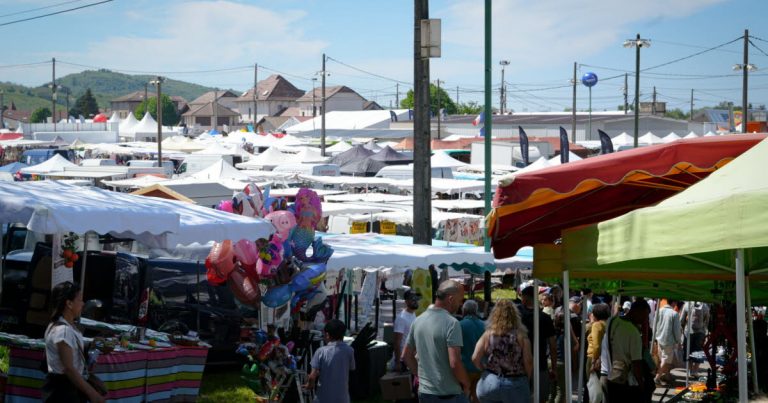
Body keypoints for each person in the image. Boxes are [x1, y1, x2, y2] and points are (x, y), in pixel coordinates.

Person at [403, 279, 470, 403]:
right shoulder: (452, 323)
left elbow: (406, 355)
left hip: (425, 393)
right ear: (450, 299)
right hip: (449, 395)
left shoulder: (418, 320)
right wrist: (466, 383)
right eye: (460, 300)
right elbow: (455, 363)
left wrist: (421, 377)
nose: (461, 304)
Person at [43, 282, 105, 403]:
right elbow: (69, 369)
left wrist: (92, 344)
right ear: (69, 304)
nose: (82, 304)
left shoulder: (64, 326)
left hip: (66, 388)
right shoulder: (63, 331)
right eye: (80, 300)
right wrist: (93, 394)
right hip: (63, 391)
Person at [472, 300, 533, 403]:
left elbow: (475, 358)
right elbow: (529, 361)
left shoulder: (488, 334)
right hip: (515, 382)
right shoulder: (521, 335)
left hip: (490, 382)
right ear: (515, 315)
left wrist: (484, 370)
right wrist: (527, 378)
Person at [600, 299, 651, 403]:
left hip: (606, 374)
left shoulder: (612, 321)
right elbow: (636, 363)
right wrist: (642, 386)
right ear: (637, 311)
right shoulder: (633, 332)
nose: (645, 320)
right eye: (645, 316)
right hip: (622, 382)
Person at [518, 286, 558, 402]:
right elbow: (553, 345)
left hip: (519, 365)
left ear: (524, 298)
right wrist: (554, 368)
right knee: (540, 398)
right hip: (540, 364)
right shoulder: (545, 318)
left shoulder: (517, 317)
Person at [305, 319, 356, 403]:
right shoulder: (350, 350)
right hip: (342, 398)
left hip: (323, 398)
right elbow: (351, 368)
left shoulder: (321, 351)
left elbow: (312, 376)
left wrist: (310, 384)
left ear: (327, 335)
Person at [460, 300, 486, 403]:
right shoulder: (484, 325)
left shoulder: (459, 325)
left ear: (464, 311)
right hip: (480, 368)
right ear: (476, 311)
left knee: (464, 398)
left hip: (465, 369)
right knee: (476, 398)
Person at [654, 299, 682, 385]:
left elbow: (654, 325)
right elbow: (677, 330)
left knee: (663, 358)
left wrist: (655, 337)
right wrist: (678, 341)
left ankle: (667, 376)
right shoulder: (674, 313)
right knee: (665, 360)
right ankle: (657, 377)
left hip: (659, 338)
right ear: (673, 302)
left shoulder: (659, 311)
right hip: (669, 340)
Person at [587, 303, 611, 402]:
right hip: (604, 358)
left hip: (593, 357)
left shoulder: (597, 325)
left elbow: (596, 345)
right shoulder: (608, 324)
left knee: (592, 387)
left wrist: (593, 361)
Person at [393, 290, 420, 371]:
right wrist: (398, 362)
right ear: (406, 302)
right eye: (412, 299)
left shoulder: (413, 314)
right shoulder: (401, 318)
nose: (415, 301)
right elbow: (397, 342)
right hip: (403, 360)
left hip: (411, 358)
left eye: (416, 299)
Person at [680, 301, 709, 375]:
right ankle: (695, 370)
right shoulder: (705, 306)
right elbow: (707, 319)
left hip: (688, 331)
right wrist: (704, 329)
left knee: (689, 351)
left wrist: (683, 328)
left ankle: (690, 370)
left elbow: (682, 319)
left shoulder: (687, 304)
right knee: (698, 351)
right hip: (700, 331)